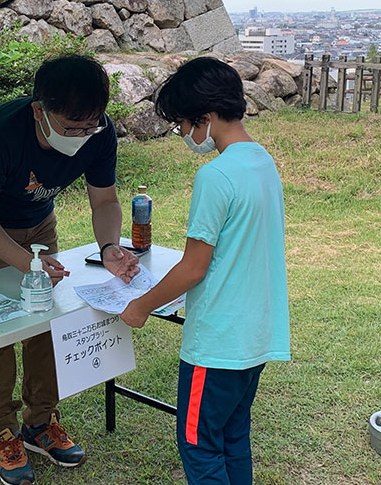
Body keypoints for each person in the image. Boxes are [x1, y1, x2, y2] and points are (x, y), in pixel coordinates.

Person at [0, 54, 141, 485]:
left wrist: (110, 246)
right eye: (71, 127)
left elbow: (105, 201)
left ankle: (40, 421)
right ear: (39, 110)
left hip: (41, 223)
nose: (82, 136)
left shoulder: (100, 132)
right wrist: (28, 264)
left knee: (47, 322)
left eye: (89, 126)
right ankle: (1, 428)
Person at [120, 57, 291, 485]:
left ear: (206, 118)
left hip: (217, 342)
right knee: (233, 436)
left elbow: (194, 267)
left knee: (199, 444)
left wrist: (140, 306)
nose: (182, 135)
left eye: (182, 124)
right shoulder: (263, 162)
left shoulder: (216, 176)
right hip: (256, 333)